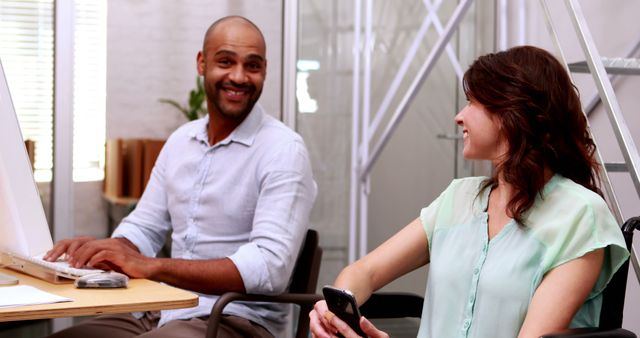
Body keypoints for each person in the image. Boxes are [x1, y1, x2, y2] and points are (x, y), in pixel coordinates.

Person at [309, 45, 629, 338]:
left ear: (511, 113)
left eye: (473, 102)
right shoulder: (459, 198)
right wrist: (334, 314)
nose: (459, 116)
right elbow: (363, 272)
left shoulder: (579, 216)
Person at [44, 15, 317, 338]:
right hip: (162, 312)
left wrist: (153, 267)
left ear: (265, 71)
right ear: (202, 64)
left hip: (236, 321)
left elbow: (268, 269)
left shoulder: (283, 150)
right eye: (225, 61)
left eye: (252, 66)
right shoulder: (181, 142)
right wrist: (103, 249)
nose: (239, 76)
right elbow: (143, 228)